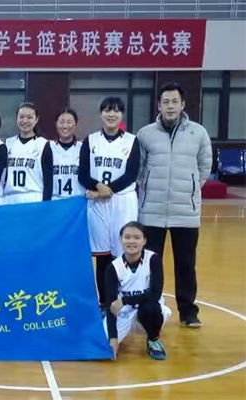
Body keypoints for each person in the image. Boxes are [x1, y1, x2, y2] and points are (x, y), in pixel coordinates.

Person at [137, 82, 213, 328]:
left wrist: (191, 188)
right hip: (152, 210)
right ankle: (150, 309)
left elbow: (204, 166)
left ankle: (188, 312)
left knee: (186, 264)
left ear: (183, 104)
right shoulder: (145, 134)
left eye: (174, 101)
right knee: (151, 264)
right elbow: (139, 169)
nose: (170, 106)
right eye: (165, 102)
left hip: (185, 211)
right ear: (158, 105)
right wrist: (149, 186)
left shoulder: (198, 133)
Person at [78, 97, 140, 307]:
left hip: (122, 202)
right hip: (98, 205)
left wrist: (105, 191)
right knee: (103, 256)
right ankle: (105, 302)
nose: (111, 115)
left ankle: (125, 300)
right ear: (101, 114)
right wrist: (99, 187)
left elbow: (131, 175)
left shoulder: (131, 141)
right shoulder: (90, 141)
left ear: (122, 115)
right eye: (107, 110)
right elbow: (83, 174)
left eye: (116, 111)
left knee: (124, 253)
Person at [104, 221, 172, 361]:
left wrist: (124, 300)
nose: (131, 241)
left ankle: (153, 339)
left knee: (151, 307)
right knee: (104, 347)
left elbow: (155, 294)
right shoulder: (113, 267)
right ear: (121, 239)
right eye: (127, 237)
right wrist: (113, 337)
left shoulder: (153, 259)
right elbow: (112, 305)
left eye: (136, 237)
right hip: (124, 312)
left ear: (144, 240)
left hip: (146, 310)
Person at [2, 103, 53, 204]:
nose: (25, 121)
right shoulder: (8, 143)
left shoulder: (43, 144)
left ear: (36, 119)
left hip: (34, 198)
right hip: (10, 199)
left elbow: (48, 180)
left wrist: (46, 205)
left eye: (29, 117)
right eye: (21, 117)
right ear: (16, 118)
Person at [49, 108, 85, 200]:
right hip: (55, 201)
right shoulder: (49, 147)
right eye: (61, 122)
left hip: (77, 202)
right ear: (56, 124)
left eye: (69, 122)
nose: (65, 126)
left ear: (75, 124)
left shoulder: (83, 148)